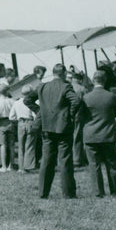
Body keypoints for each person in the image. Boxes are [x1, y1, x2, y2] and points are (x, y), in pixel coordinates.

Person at [37, 64, 79, 198]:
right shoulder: (66, 86)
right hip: (63, 128)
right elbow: (76, 101)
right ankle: (68, 194)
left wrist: (42, 113)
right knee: (65, 160)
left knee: (46, 160)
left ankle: (43, 193)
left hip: (47, 128)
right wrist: (70, 115)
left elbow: (27, 99)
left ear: (53, 72)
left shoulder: (43, 86)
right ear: (64, 73)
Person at [81, 70, 116, 197]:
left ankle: (98, 192)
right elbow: (115, 113)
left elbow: (82, 116)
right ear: (104, 81)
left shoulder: (86, 97)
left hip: (91, 135)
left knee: (94, 165)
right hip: (108, 134)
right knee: (112, 164)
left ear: (93, 81)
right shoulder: (111, 96)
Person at [10, 84, 36, 172]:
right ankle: (28, 166)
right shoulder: (32, 102)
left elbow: (11, 117)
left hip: (20, 123)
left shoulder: (16, 103)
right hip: (30, 122)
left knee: (20, 146)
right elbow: (34, 115)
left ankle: (21, 168)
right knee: (29, 146)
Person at [0, 84, 15, 171]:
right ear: (7, 91)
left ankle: (4, 166)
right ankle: (11, 166)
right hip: (10, 122)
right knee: (11, 145)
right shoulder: (12, 101)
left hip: (0, 123)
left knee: (3, 145)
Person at [69, 70, 88, 167]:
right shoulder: (82, 89)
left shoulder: (67, 87)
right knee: (77, 137)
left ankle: (68, 158)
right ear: (79, 80)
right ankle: (77, 159)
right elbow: (87, 102)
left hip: (66, 116)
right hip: (78, 116)